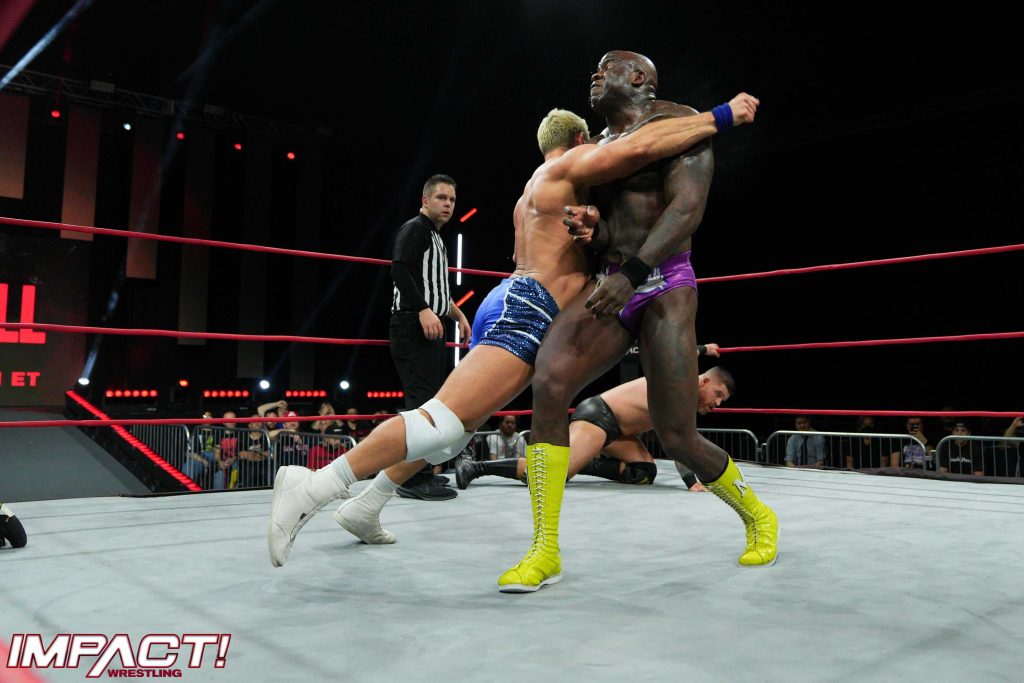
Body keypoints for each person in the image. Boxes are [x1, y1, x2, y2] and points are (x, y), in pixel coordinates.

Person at [267, 93, 760, 568]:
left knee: (454, 435)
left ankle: (368, 503)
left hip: (513, 301)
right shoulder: (568, 167)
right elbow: (639, 147)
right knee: (442, 421)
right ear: (581, 140)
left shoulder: (535, 187)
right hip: (529, 308)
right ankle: (313, 487)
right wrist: (719, 116)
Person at [500, 51, 776, 591]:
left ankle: (757, 515)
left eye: (607, 67)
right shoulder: (600, 147)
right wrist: (592, 229)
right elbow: (611, 229)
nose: (594, 75)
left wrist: (632, 271)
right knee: (550, 382)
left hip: (665, 282)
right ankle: (543, 547)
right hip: (613, 281)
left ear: (638, 77)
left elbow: (686, 210)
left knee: (678, 435)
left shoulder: (681, 121)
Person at [456, 365, 735, 491]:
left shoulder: (684, 389)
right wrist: (691, 481)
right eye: (718, 394)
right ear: (705, 382)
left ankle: (584, 459)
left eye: (723, 399)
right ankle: (475, 467)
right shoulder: (678, 389)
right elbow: (676, 441)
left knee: (644, 472)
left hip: (618, 432)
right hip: (599, 417)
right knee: (550, 477)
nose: (718, 403)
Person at [386, 174, 471, 500]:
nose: (448, 204)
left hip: (429, 325)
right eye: (441, 198)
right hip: (412, 325)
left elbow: (434, 289)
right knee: (420, 401)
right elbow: (399, 269)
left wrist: (458, 315)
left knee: (430, 402)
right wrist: (422, 309)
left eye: (452, 199)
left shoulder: (435, 236)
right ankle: (411, 480)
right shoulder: (415, 229)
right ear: (425, 200)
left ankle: (421, 473)